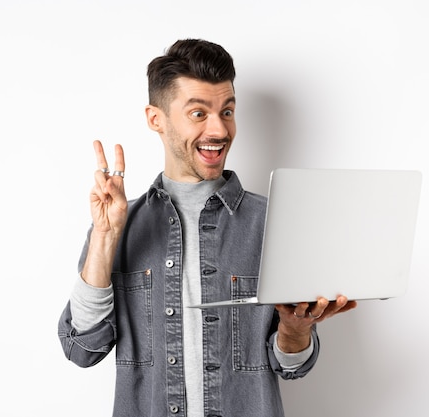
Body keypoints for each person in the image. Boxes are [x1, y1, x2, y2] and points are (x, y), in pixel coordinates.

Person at [58, 39, 357, 417]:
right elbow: (82, 348)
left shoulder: (275, 223)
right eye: (199, 114)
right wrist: (105, 236)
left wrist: (295, 331)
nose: (219, 129)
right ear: (156, 119)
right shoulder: (117, 224)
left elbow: (292, 365)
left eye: (227, 111)